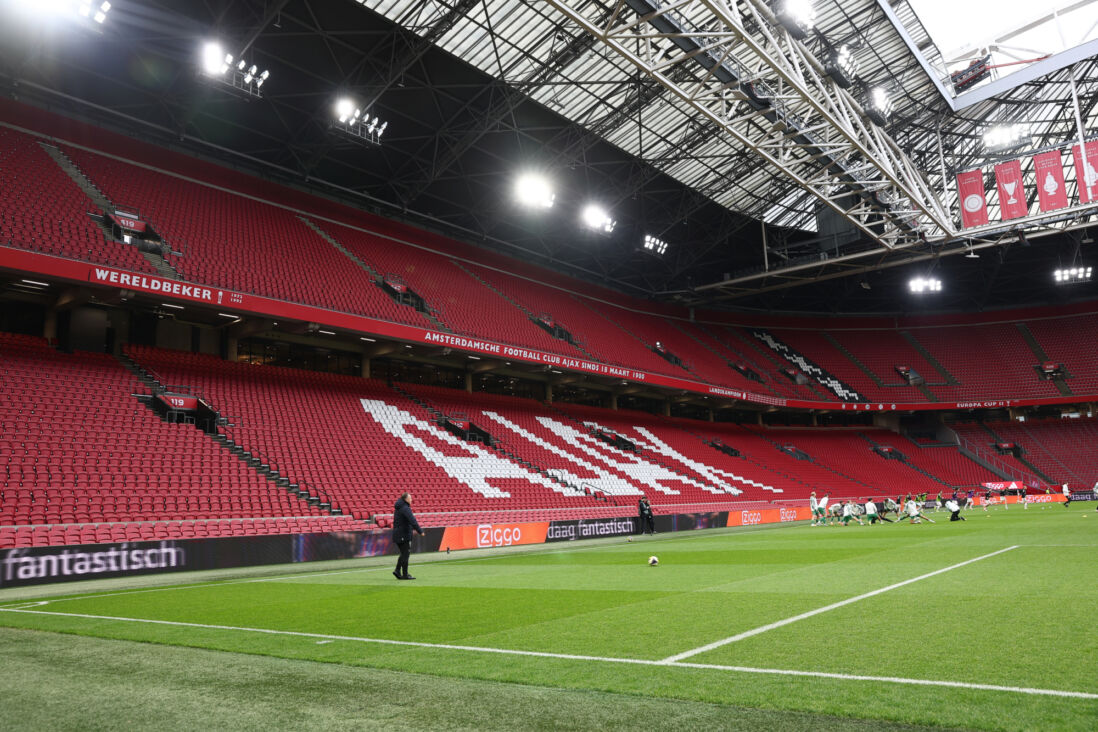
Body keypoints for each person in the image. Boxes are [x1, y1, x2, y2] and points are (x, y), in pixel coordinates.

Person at [392, 491, 423, 580]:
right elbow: (412, 520)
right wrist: (420, 531)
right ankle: (404, 574)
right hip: (402, 534)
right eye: (410, 498)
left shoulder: (400, 507)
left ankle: (397, 571)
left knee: (404, 553)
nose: (411, 499)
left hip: (399, 533)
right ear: (406, 499)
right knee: (405, 554)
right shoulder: (405, 508)